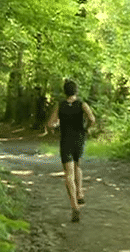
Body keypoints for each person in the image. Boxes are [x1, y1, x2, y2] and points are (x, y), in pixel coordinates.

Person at [46, 79, 96, 223]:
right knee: (77, 165)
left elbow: (51, 123)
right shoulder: (82, 104)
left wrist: (55, 128)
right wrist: (86, 128)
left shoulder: (60, 105)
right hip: (79, 139)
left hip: (66, 140)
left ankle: (74, 206)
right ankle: (80, 191)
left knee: (68, 173)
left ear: (64, 92)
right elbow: (92, 119)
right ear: (76, 91)